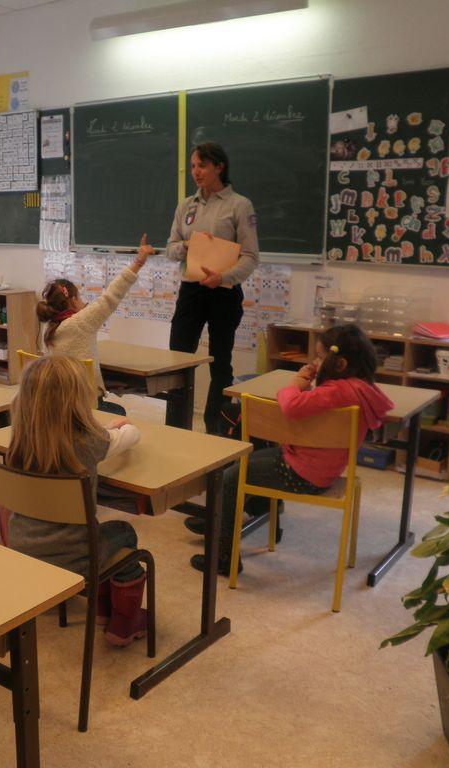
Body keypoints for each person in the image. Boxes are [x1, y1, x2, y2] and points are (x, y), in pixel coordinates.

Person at [184, 324, 394, 576]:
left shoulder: (336, 391)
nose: (315, 361)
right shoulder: (362, 389)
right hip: (320, 468)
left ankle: (223, 559)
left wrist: (295, 384)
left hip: (301, 472)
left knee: (229, 479)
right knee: (245, 461)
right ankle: (218, 520)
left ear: (340, 364)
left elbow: (291, 405)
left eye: (319, 356)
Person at [6, 355, 148, 647]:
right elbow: (130, 436)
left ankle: (100, 607)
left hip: (20, 547)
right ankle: (124, 622)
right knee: (123, 532)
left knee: (104, 535)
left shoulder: (20, 437)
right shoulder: (88, 441)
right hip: (76, 557)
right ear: (77, 400)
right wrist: (120, 425)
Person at [165, 141, 259, 433]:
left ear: (219, 167)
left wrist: (224, 278)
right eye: (193, 166)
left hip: (223, 293)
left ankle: (216, 428)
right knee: (177, 360)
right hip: (191, 291)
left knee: (220, 363)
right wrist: (187, 244)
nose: (196, 171)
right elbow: (170, 249)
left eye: (202, 165)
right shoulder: (186, 205)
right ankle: (175, 426)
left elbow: (251, 257)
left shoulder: (240, 205)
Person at [37, 234, 155, 415]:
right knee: (119, 413)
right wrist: (138, 262)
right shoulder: (80, 321)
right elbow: (111, 296)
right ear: (73, 299)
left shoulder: (51, 327)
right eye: (80, 297)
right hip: (84, 408)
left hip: (57, 407)